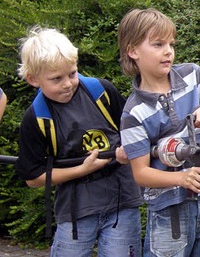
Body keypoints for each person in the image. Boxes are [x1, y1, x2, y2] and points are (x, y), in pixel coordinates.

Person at [14, 26, 142, 257]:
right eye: (56, 79)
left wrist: (129, 152)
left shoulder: (101, 91)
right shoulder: (36, 118)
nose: (67, 84)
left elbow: (135, 132)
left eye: (72, 74)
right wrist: (81, 169)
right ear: (34, 79)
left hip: (122, 201)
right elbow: (33, 177)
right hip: (75, 209)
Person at [117, 8, 200, 257]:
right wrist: (181, 178)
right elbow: (141, 173)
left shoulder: (194, 74)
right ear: (133, 51)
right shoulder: (133, 112)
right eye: (158, 44)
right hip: (168, 210)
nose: (168, 51)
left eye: (171, 43)